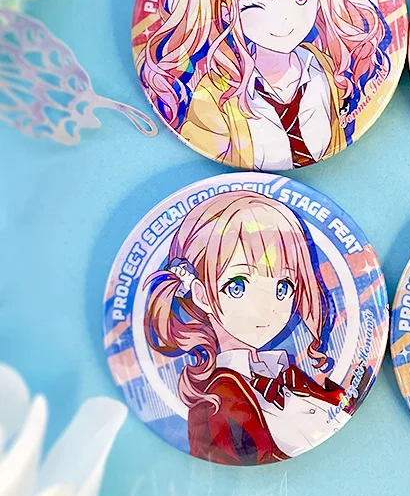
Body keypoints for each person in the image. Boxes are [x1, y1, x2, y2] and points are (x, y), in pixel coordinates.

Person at [137, 0, 390, 170]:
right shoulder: (212, 99)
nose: (285, 19)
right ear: (226, 10)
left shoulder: (326, 69)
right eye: (255, 5)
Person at [144, 191, 348, 465]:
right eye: (238, 286)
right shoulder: (214, 406)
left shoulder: (286, 375)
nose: (268, 307)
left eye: (283, 287)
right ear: (202, 295)